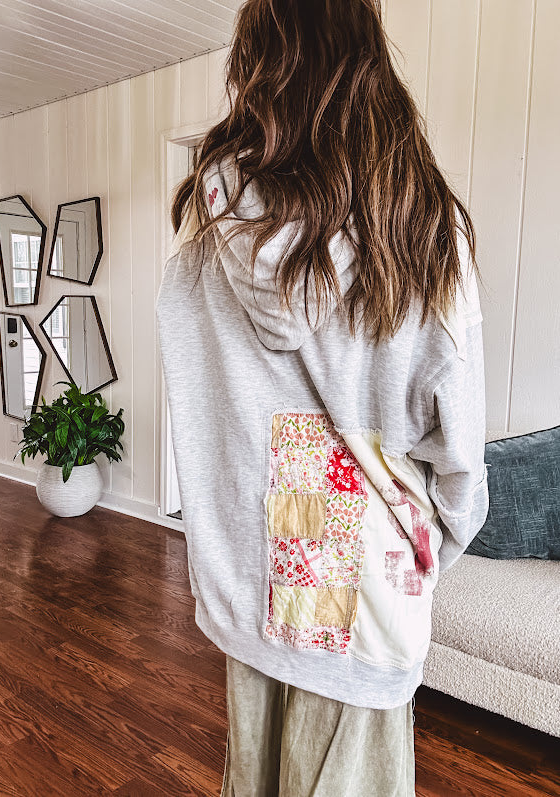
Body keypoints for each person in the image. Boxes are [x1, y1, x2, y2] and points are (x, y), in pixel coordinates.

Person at [156, 0, 489, 794]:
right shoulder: (421, 226)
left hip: (249, 564)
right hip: (371, 576)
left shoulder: (207, 231)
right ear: (365, 66)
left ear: (257, 69)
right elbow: (460, 455)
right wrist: (434, 537)